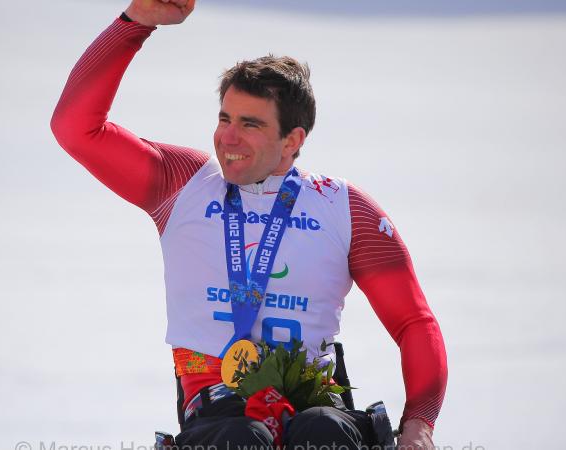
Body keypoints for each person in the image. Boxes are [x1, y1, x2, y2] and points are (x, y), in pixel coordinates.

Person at [50, 0, 447, 448]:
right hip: (218, 412)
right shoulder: (180, 186)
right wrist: (134, 24)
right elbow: (75, 128)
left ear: (291, 140)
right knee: (244, 437)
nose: (227, 137)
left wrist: (419, 424)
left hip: (317, 408)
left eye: (250, 124)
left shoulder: (344, 207)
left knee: (323, 431)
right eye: (224, 118)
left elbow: (414, 322)